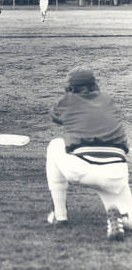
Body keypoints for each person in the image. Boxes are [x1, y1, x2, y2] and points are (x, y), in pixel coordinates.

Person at [46, 66, 132, 241]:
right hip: (117, 173)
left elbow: (55, 116)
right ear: (94, 84)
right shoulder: (108, 100)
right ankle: (121, 218)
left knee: (55, 145)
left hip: (82, 169)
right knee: (126, 212)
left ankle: (60, 215)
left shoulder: (67, 101)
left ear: (71, 87)